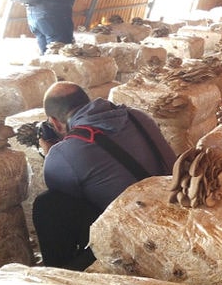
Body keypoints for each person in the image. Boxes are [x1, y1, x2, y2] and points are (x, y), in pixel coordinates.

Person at [34, 81, 177, 270]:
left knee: (47, 204)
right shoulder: (137, 116)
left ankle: (62, 276)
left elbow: (63, 197)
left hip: (136, 233)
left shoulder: (64, 153)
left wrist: (51, 154)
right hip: (173, 209)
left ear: (54, 123)